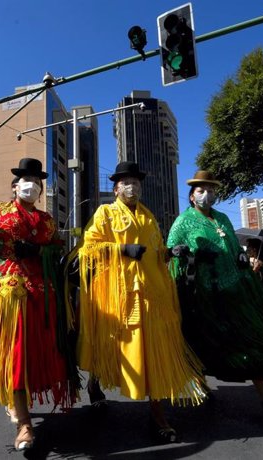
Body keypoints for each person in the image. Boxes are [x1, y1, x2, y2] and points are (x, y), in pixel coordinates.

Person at [0, 158, 78, 451]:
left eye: (37, 181)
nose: (32, 185)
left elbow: (57, 250)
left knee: (31, 357)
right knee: (16, 355)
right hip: (8, 299)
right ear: (14, 186)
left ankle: (16, 404)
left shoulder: (47, 220)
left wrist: (38, 250)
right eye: (26, 179)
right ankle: (25, 425)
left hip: (42, 299)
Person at [77, 161, 207, 443]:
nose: (132, 187)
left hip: (151, 293)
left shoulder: (149, 217)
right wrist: (121, 249)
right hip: (116, 293)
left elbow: (156, 252)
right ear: (116, 188)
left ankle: (157, 410)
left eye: (136, 182)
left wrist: (170, 251)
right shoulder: (105, 212)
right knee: (110, 344)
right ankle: (95, 382)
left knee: (153, 350)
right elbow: (89, 249)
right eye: (126, 182)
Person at [167, 171, 263, 415]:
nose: (207, 194)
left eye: (211, 190)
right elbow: (170, 251)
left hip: (234, 291)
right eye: (201, 190)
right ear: (192, 196)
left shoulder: (224, 218)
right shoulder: (182, 222)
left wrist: (239, 255)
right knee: (199, 341)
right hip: (202, 295)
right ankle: (199, 383)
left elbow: (235, 247)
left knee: (249, 337)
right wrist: (190, 256)